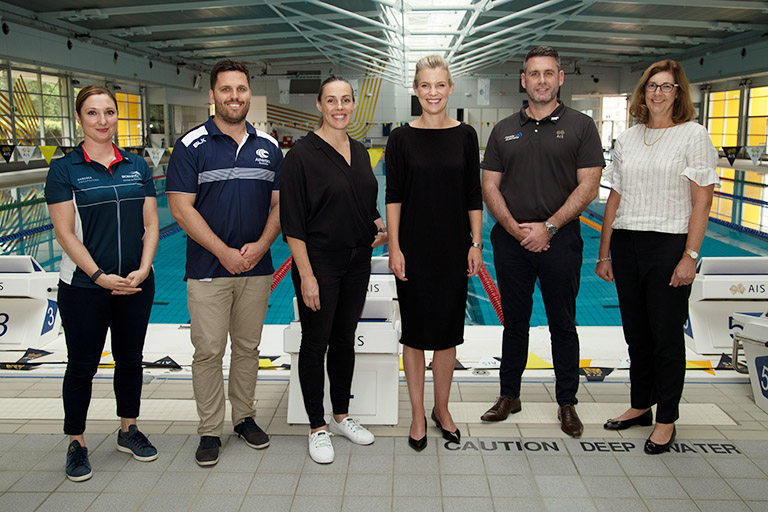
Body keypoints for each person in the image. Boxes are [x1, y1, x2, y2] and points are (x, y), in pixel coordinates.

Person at [480, 46, 604, 437]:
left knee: (562, 324)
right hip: (511, 242)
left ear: (560, 78)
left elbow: (589, 186)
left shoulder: (582, 126)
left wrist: (548, 227)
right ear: (524, 80)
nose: (541, 81)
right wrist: (517, 229)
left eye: (548, 73)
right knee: (514, 322)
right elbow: (489, 185)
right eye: (534, 74)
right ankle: (509, 395)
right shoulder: (503, 130)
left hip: (560, 242)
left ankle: (567, 403)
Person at [596, 59, 718, 454]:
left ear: (679, 93)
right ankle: (639, 405)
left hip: (668, 244)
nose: (659, 93)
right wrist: (604, 251)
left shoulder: (693, 135)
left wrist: (690, 255)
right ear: (643, 92)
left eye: (667, 86)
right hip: (627, 242)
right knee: (637, 334)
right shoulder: (629, 138)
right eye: (652, 86)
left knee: (665, 336)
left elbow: (702, 203)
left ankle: (666, 418)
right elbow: (615, 195)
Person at [166, 59, 282, 467]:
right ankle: (210, 429)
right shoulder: (190, 145)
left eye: (242, 89)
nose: (235, 96)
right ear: (212, 95)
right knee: (209, 351)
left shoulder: (268, 147)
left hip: (257, 266)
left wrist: (261, 244)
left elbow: (279, 206)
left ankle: (244, 417)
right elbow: (181, 210)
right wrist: (224, 251)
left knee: (248, 348)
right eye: (227, 89)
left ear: (249, 94)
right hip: (208, 269)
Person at [45, 85, 159, 482]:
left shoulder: (136, 164)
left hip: (136, 282)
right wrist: (97, 275)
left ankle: (128, 429)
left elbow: (151, 223)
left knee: (130, 359)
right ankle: (76, 442)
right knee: (82, 365)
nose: (102, 120)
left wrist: (143, 269)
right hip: (84, 287)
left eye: (109, 112)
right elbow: (65, 233)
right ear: (79, 118)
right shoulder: (65, 169)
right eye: (93, 113)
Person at [280, 76, 387, 464]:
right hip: (319, 263)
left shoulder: (360, 152)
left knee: (344, 339)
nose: (339, 107)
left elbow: (365, 202)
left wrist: (378, 227)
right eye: (331, 100)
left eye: (345, 100)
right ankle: (317, 426)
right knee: (315, 343)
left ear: (353, 104)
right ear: (320, 106)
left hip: (357, 262)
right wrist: (306, 275)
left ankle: (341, 415)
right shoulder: (300, 157)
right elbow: (292, 222)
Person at [385, 55, 483, 451]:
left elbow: (473, 195)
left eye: (439, 85)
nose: (432, 92)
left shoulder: (466, 135)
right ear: (415, 89)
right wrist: (394, 246)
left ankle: (442, 410)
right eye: (425, 85)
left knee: (445, 336)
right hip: (414, 248)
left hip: (452, 249)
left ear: (450, 88)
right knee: (414, 336)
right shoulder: (400, 138)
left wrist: (475, 243)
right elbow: (393, 197)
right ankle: (416, 414)